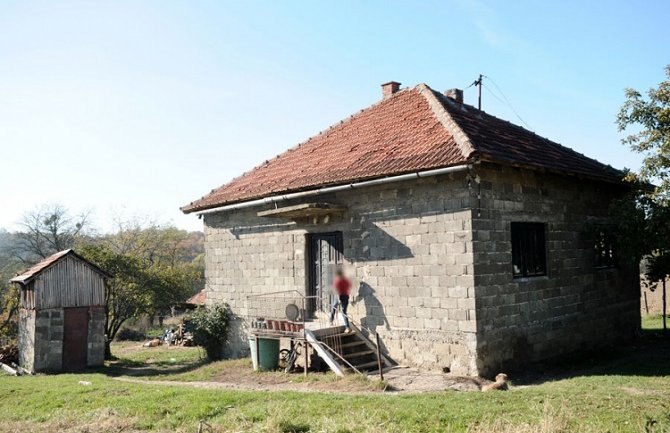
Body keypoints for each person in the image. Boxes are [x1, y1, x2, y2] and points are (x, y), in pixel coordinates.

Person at [329, 268, 352, 333]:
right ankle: (347, 327)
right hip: (346, 296)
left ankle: (331, 321)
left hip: (340, 296)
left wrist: (339, 298)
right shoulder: (346, 280)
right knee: (344, 312)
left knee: (334, 308)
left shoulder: (337, 280)